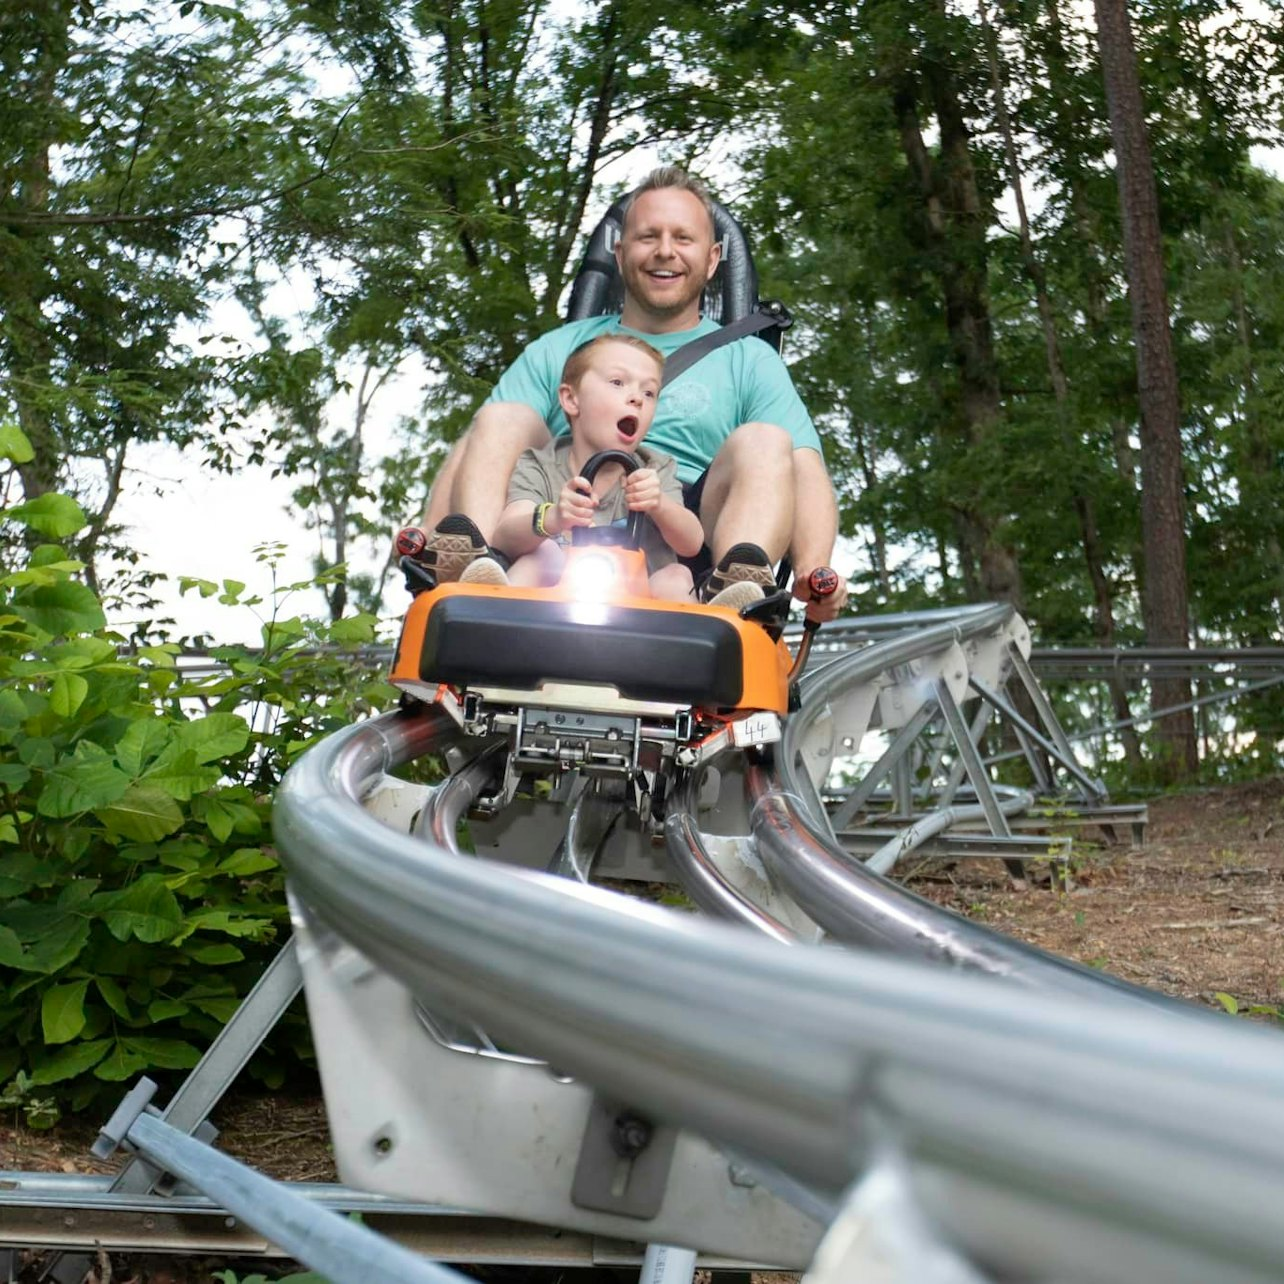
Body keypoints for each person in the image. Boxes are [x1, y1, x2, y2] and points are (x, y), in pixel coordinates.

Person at [405, 166, 848, 621]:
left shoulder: (749, 360)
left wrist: (815, 569)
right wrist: (428, 534)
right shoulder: (558, 348)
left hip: (683, 539)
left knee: (768, 440)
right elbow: (476, 445)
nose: (664, 251)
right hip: (557, 519)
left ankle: (737, 590)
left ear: (713, 259)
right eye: (648, 236)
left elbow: (804, 468)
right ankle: (474, 565)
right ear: (619, 253)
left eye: (683, 238)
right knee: (501, 416)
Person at [458, 333, 708, 603]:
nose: (637, 398)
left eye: (649, 392)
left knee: (676, 574)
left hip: (643, 606)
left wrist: (659, 505)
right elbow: (505, 537)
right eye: (617, 382)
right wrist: (554, 517)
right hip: (553, 601)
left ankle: (713, 619)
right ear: (571, 399)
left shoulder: (654, 468)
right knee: (541, 556)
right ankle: (489, 604)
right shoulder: (541, 464)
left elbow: (691, 543)